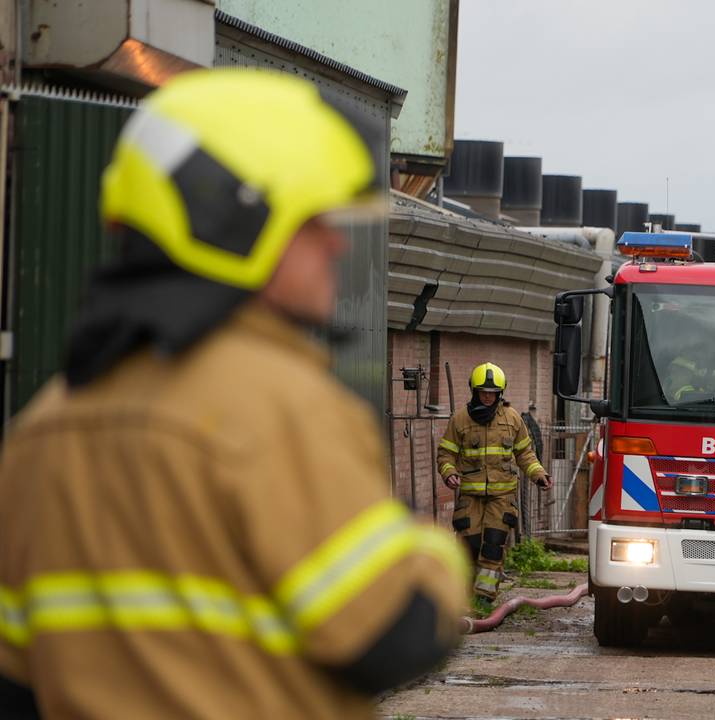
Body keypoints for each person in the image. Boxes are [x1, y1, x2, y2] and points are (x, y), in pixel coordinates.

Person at [0, 69, 470, 719]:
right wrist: (434, 553)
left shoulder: (42, 428)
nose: (335, 243)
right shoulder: (277, 406)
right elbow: (394, 637)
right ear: (232, 222)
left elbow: (18, 685)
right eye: (312, 222)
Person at [438, 363, 549, 606]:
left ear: (500, 393)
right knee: (469, 545)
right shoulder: (460, 420)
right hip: (470, 496)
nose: (487, 397)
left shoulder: (512, 419)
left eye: (492, 393)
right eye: (483, 392)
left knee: (492, 546)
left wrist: (538, 474)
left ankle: (484, 598)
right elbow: (445, 455)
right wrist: (449, 473)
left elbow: (525, 454)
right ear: (474, 391)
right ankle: (463, 596)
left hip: (502, 496)